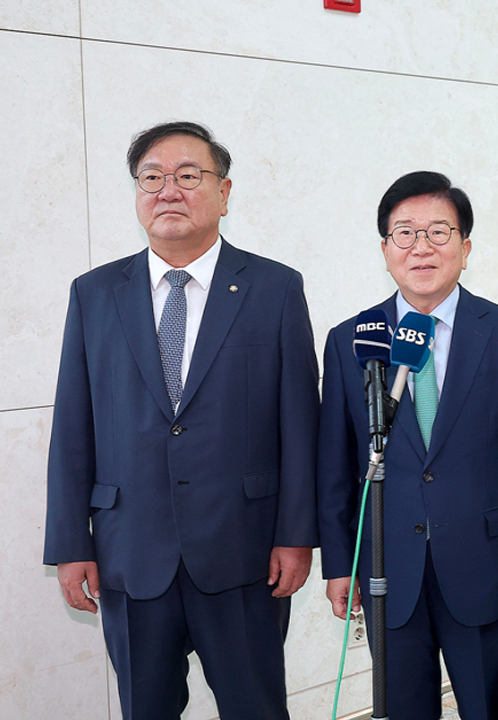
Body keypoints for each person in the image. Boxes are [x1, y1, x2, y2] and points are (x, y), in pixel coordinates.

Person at [43, 121, 320, 720]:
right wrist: (69, 544)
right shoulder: (94, 294)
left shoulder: (274, 288)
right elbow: (72, 427)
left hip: (245, 551)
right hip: (130, 552)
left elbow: (301, 424)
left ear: (224, 193)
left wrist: (297, 535)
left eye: (188, 175)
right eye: (152, 177)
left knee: (256, 708)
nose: (168, 190)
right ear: (137, 193)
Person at [316, 171, 498, 720]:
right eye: (404, 233)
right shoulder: (351, 339)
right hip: (387, 569)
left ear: (465, 248)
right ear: (385, 250)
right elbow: (335, 466)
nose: (421, 247)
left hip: (487, 566)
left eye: (438, 232)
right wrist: (339, 564)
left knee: (492, 708)